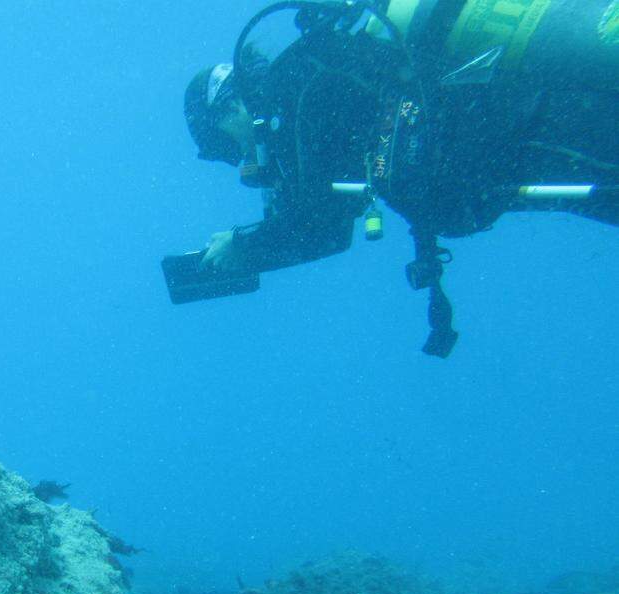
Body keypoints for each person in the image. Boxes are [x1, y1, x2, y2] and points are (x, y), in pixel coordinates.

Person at [177, 0, 619, 356]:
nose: (238, 163)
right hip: (523, 134)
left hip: (525, 130)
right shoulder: (311, 75)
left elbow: (320, 227)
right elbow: (326, 220)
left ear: (230, 107)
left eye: (224, 149)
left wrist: (244, 246)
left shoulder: (291, 94)